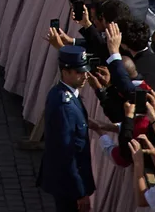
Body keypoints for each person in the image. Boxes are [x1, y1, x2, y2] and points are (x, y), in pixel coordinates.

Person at [37, 44, 95, 212]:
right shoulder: (66, 106)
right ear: (65, 71)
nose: (84, 76)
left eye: (85, 71)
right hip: (69, 184)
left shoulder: (60, 93)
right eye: (78, 72)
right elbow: (67, 153)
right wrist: (80, 192)